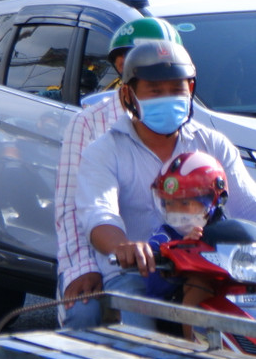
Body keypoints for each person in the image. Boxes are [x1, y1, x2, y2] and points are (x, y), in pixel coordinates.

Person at [78, 40, 256, 329]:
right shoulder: (104, 151)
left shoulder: (212, 143)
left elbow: (249, 206)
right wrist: (124, 247)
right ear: (128, 95)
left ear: (191, 91)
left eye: (176, 90)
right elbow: (99, 214)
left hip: (213, 269)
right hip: (139, 275)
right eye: (155, 91)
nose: (168, 97)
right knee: (144, 346)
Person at [54, 17, 183, 327]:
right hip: (118, 266)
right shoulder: (91, 126)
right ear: (123, 64)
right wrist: (84, 268)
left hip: (187, 266)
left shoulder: (198, 132)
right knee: (84, 314)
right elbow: (75, 210)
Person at [142, 151, 227, 312]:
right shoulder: (162, 238)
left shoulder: (227, 232)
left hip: (229, 298)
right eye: (169, 204)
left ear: (214, 200)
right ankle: (192, 337)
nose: (175, 211)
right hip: (172, 308)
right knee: (199, 285)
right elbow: (153, 286)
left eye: (185, 203)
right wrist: (183, 250)